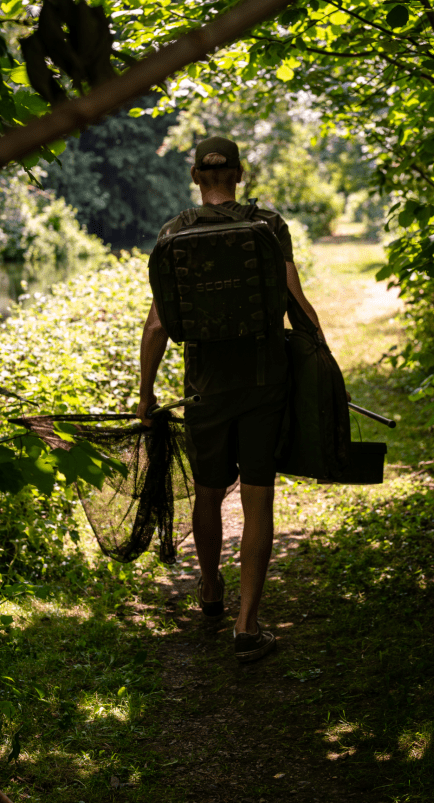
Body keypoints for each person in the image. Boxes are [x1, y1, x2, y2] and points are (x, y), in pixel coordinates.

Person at [136, 136, 327, 662]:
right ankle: (247, 625)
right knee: (258, 497)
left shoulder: (173, 233)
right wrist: (322, 365)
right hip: (265, 381)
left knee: (208, 490)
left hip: (205, 386)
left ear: (196, 177)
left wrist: (146, 393)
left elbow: (157, 325)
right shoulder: (268, 226)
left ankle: (210, 585)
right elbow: (295, 302)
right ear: (238, 175)